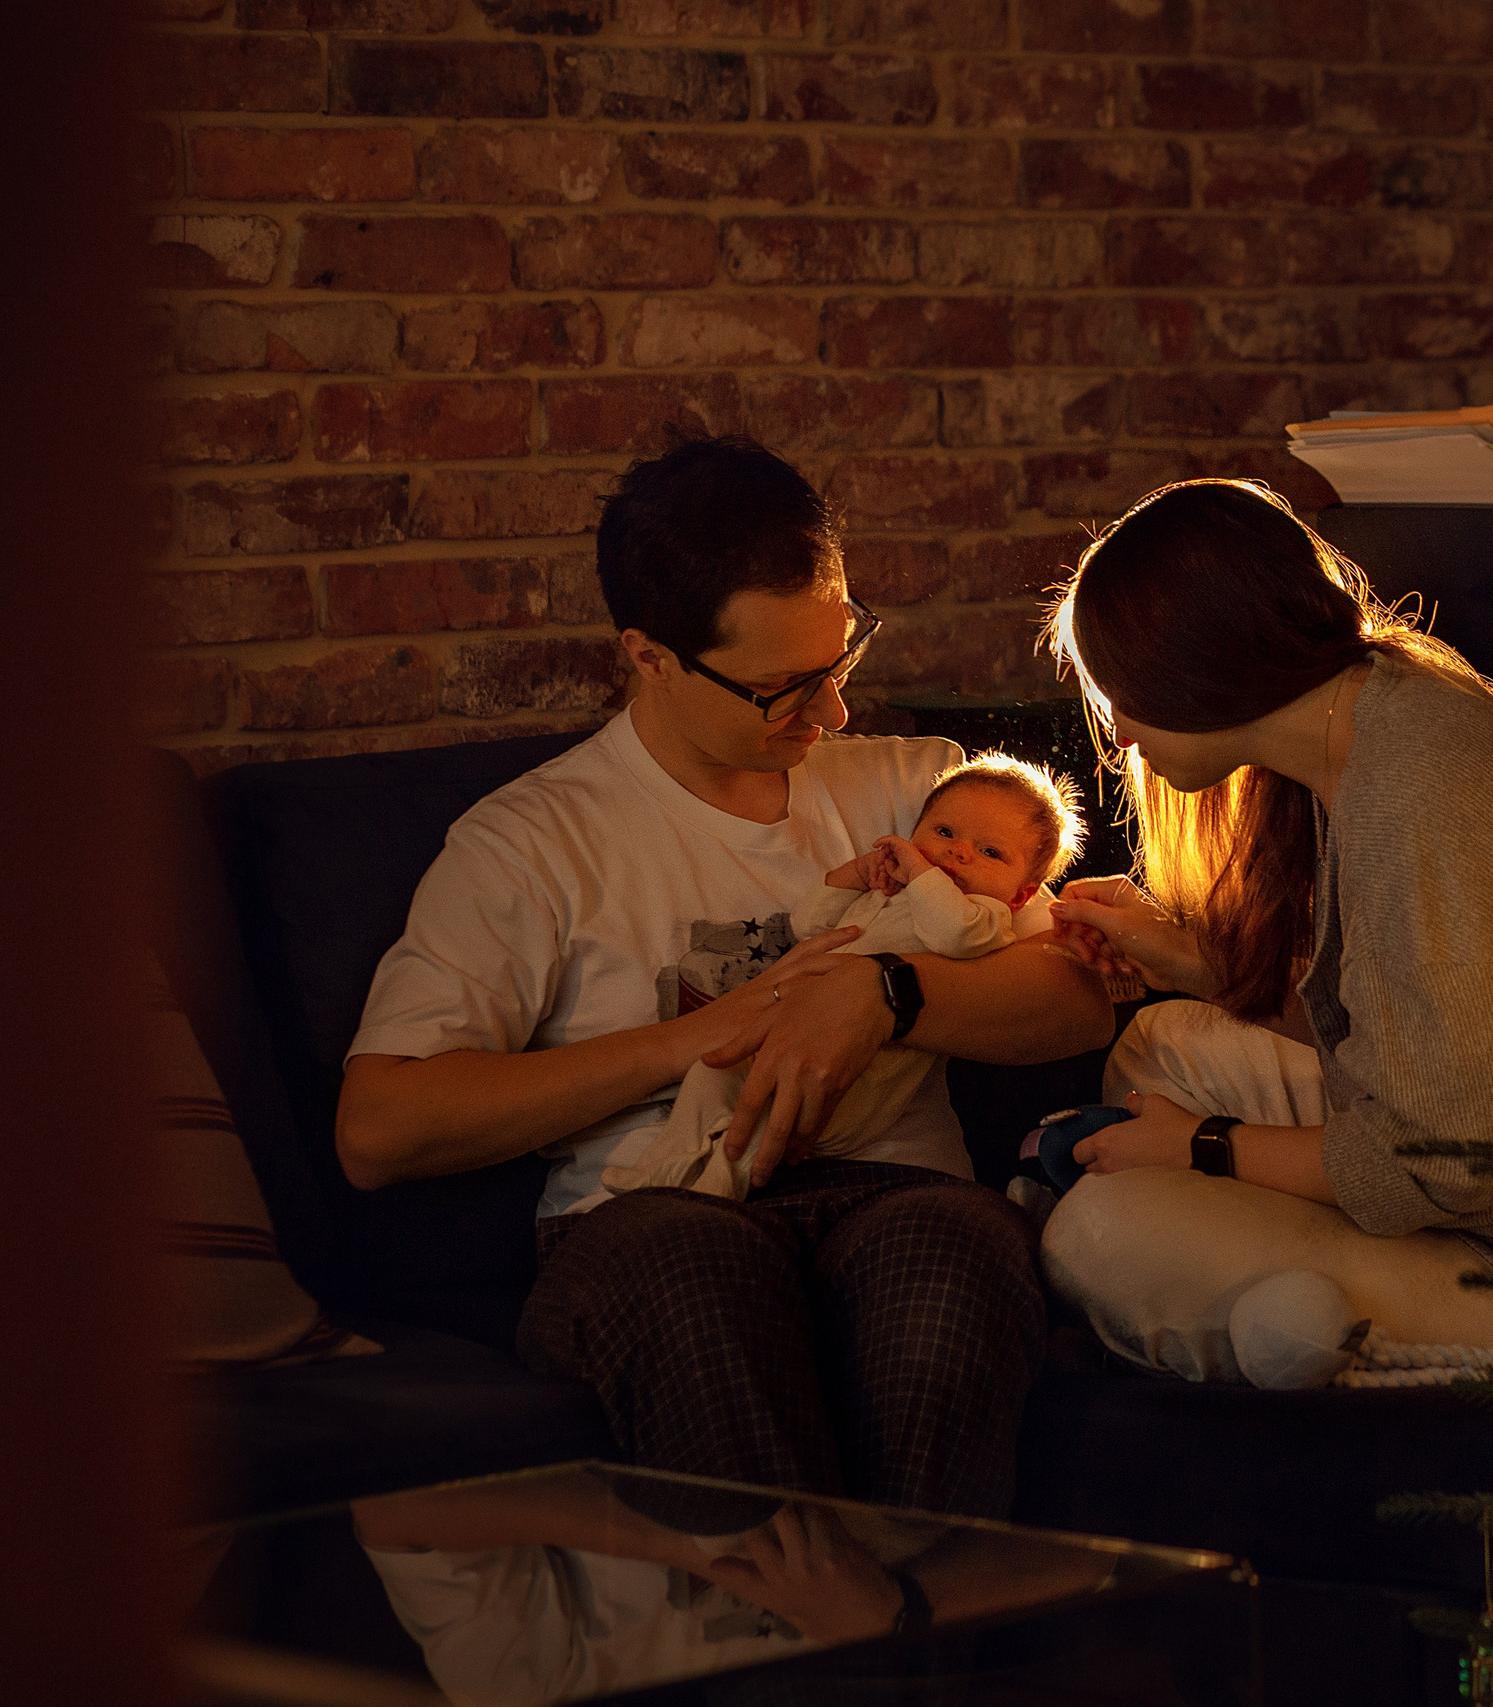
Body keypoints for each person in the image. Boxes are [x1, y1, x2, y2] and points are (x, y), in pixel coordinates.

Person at [335, 436, 1113, 1517]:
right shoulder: (531, 840)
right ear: (649, 657)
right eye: (783, 688)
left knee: (955, 1254)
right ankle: (832, 1645)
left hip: (894, 1196)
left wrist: (883, 998)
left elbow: (1078, 996)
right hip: (649, 1211)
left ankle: (898, 1634)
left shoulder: (930, 796)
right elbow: (378, 1129)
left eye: (842, 660)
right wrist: (702, 1035)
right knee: (696, 1276)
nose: (835, 713)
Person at [1038, 479, 1493, 1385]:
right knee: (1165, 1039)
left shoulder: (1411, 796)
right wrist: (1195, 964)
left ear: (1192, 666)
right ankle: (1294, 1300)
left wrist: (1204, 1145)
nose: (1117, 733)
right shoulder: (1382, 707)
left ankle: (1360, 1342)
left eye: (1120, 695)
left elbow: (1451, 1159)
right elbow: (1408, 1043)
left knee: (1094, 1231)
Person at [604, 754, 1085, 1200]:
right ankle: (663, 1168)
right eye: (943, 832)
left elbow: (952, 936)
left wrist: (920, 873)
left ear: (1021, 897)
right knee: (710, 1078)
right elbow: (810, 926)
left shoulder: (981, 916)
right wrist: (852, 877)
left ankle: (716, 1187)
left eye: (990, 852)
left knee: (769, 1121)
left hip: (855, 1084)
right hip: (789, 1042)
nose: (958, 853)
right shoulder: (886, 897)